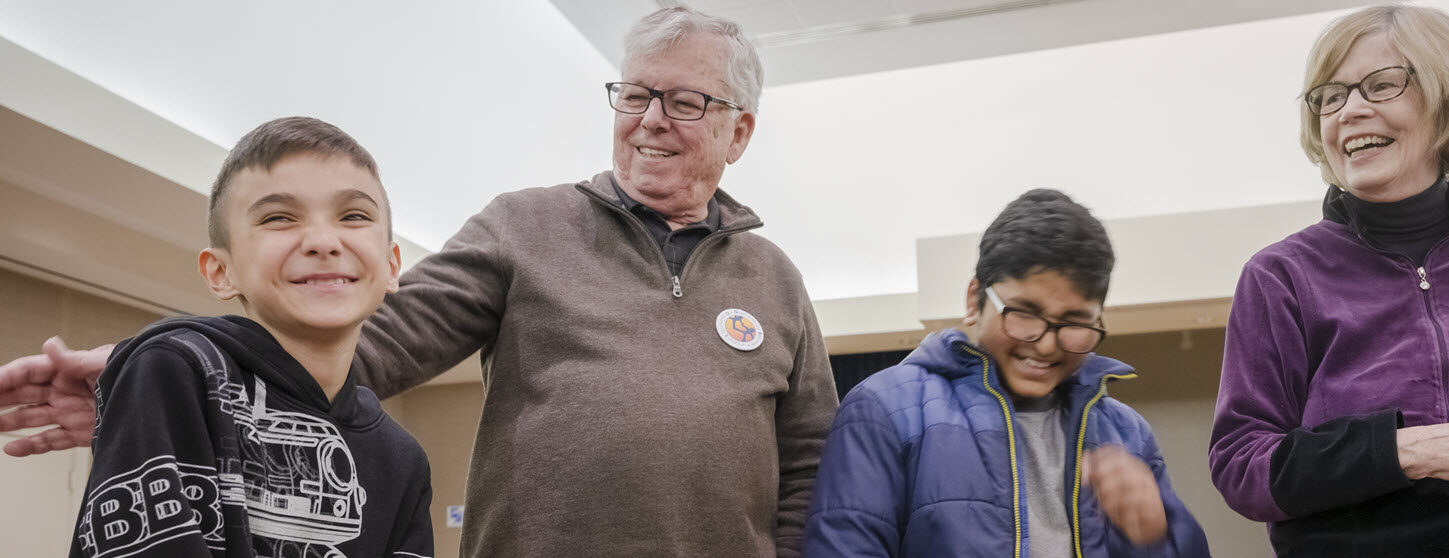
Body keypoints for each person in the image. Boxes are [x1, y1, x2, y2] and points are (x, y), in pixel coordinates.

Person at [0, 7, 836, 557]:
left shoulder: (775, 279)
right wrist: (161, 379)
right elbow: (366, 342)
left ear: (740, 130)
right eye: (635, 95)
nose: (650, 121)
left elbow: (809, 464)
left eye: (684, 102)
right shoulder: (526, 224)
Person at [1208, 5, 1449, 556]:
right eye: (1330, 96)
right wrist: (1412, 450)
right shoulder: (1280, 276)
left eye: (1381, 85)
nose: (1349, 111)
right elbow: (1241, 464)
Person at [67, 117, 433, 557]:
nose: (322, 241)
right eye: (279, 218)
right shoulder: (176, 370)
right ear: (222, 272)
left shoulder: (402, 457)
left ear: (392, 266)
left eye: (354, 216)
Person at [804, 189, 1210, 557]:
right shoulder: (885, 410)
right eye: (1024, 313)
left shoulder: (1126, 433)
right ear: (974, 298)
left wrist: (1160, 532)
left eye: (1073, 322)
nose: (1046, 344)